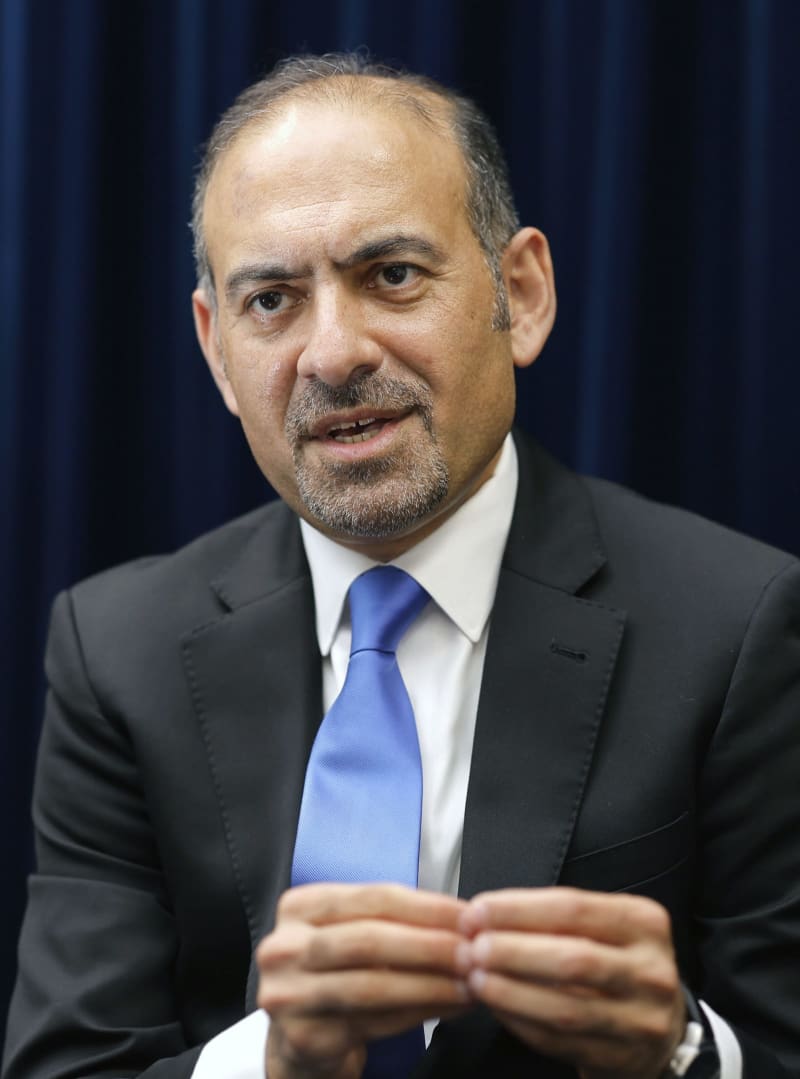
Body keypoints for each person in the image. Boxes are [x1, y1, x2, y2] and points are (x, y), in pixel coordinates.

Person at [3, 52, 799, 1079]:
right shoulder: (117, 650)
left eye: (391, 275)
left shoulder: (738, 624)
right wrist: (273, 1061)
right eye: (271, 300)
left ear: (521, 293)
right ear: (215, 351)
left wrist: (680, 1047)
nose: (333, 353)